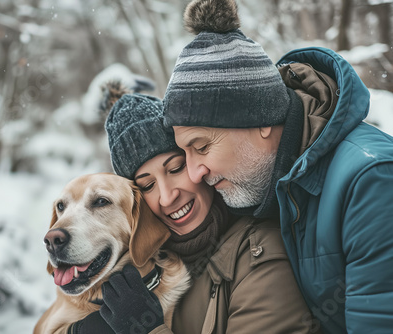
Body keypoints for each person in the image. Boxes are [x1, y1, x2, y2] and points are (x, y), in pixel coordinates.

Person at [162, 0, 393, 333]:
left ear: (261, 121)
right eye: (184, 153)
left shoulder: (371, 182)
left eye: (201, 147)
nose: (194, 171)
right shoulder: (267, 184)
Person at [70, 80, 318, 334]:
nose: (167, 197)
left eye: (176, 169)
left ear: (198, 160)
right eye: (147, 186)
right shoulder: (151, 267)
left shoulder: (260, 254)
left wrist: (147, 330)